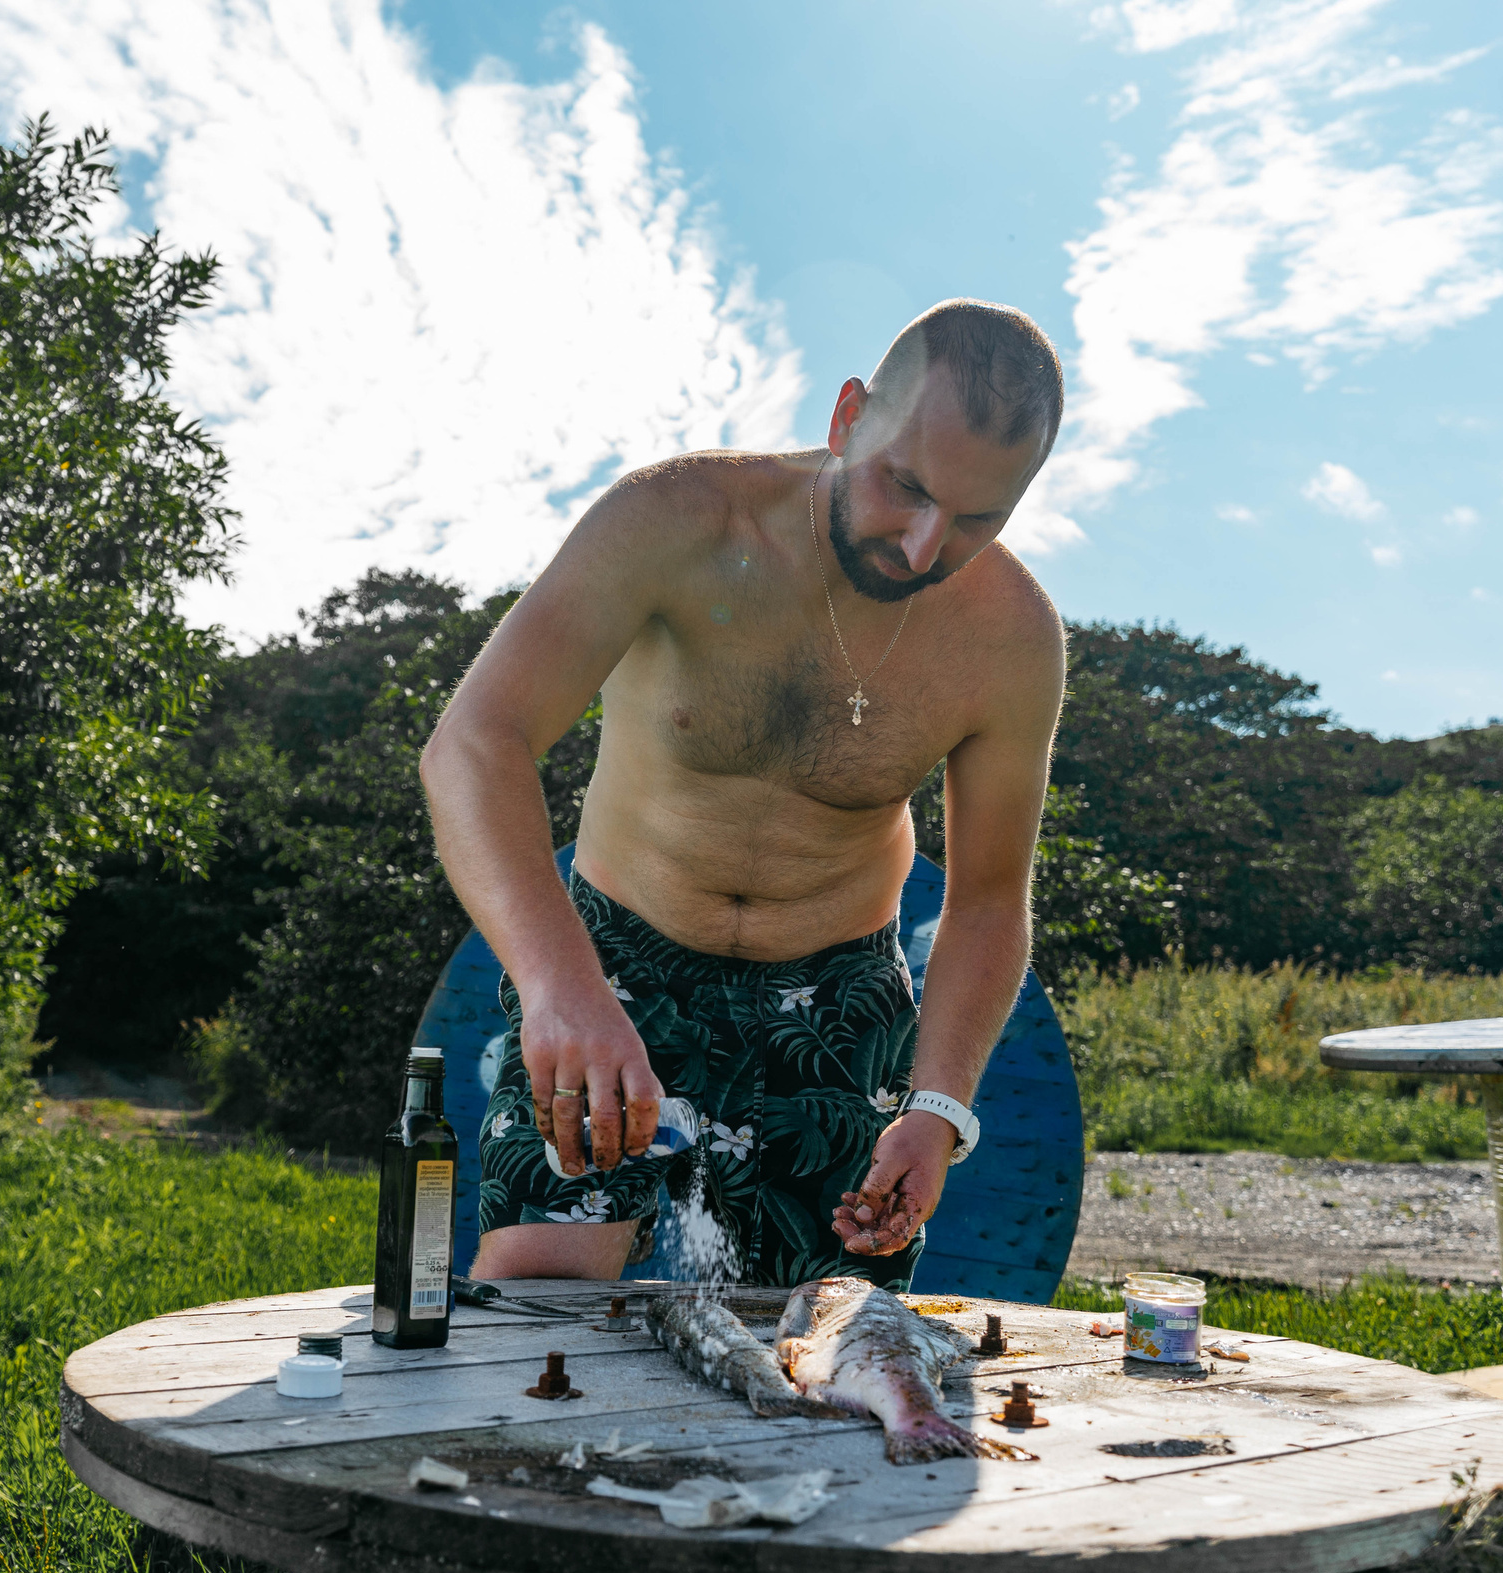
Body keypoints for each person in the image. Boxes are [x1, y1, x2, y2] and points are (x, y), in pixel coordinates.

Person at [420, 299, 1067, 1289]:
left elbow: (987, 898)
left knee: (824, 1350)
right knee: (539, 1300)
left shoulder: (1013, 638)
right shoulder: (673, 520)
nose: (925, 546)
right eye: (904, 486)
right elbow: (473, 744)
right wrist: (558, 985)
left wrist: (938, 1109)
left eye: (977, 518)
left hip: (837, 1000)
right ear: (847, 416)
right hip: (616, 961)